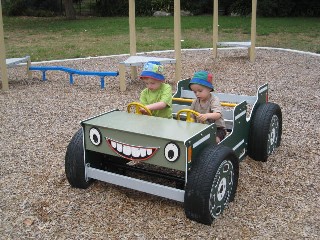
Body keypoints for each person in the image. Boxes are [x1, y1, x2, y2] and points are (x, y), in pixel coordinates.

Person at [189, 71, 227, 143]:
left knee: (214, 139)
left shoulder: (214, 100)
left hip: (217, 128)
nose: (197, 94)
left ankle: (215, 151)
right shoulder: (195, 102)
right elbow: (191, 116)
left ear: (209, 89)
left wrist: (207, 116)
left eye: (200, 91)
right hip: (201, 128)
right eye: (194, 92)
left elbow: (217, 115)